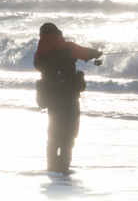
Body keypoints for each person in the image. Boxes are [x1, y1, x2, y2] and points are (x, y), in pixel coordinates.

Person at [33, 22, 103, 174]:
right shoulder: (67, 47)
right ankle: (63, 168)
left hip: (51, 96)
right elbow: (85, 53)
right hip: (69, 95)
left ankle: (51, 168)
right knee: (69, 132)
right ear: (57, 33)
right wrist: (96, 53)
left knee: (53, 132)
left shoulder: (38, 54)